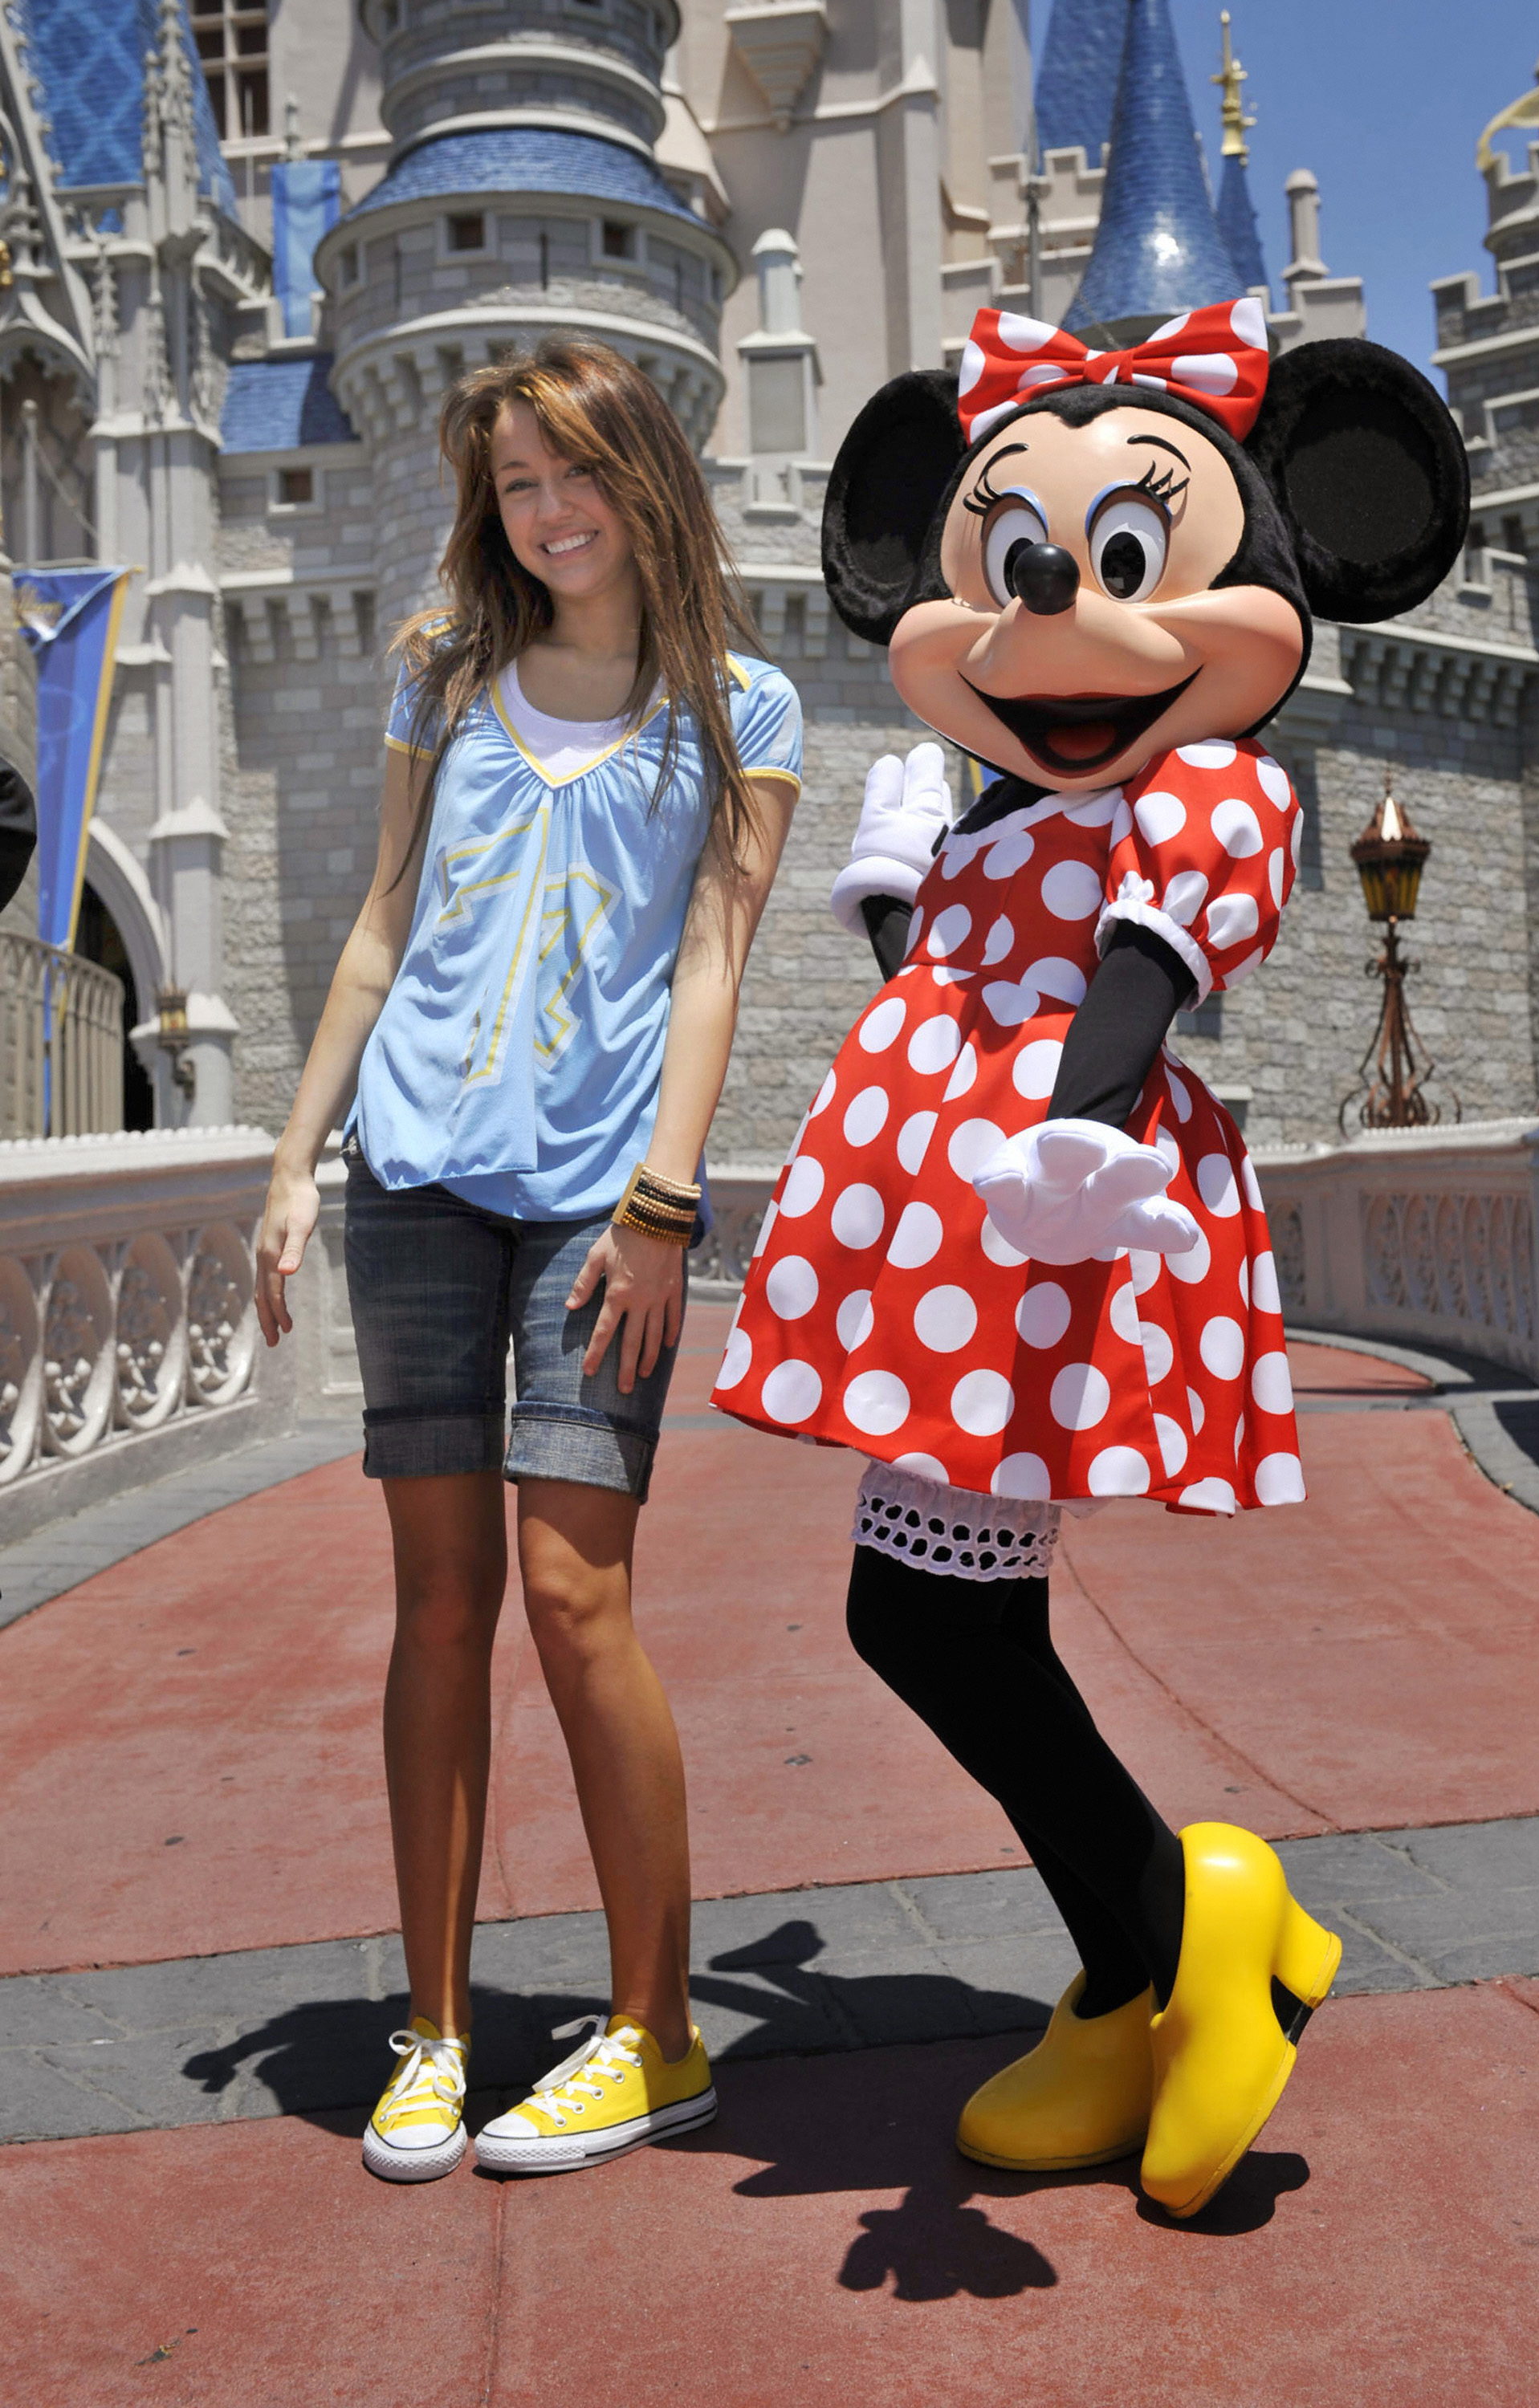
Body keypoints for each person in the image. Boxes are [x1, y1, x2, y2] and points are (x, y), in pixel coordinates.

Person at [716, 299, 1468, 2218]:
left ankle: (1192, 1932)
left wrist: (1083, 1137)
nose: (1055, 610)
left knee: (922, 1621)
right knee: (954, 1621)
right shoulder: (997, 798)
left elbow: (1134, 967)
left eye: (1120, 560)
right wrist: (896, 908)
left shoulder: (1205, 787)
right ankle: (1137, 1980)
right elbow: (967, 980)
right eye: (1014, 565)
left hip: (1045, 1217)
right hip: (958, 1235)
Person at [253, 338, 801, 2183]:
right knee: (438, 1603)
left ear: (644, 477)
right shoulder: (444, 669)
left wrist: (663, 1205)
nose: (549, 512)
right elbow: (381, 918)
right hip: (411, 1177)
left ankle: (654, 2031)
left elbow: (712, 962)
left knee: (576, 1597)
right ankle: (434, 2033)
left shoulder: (741, 709)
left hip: (597, 1205)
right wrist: (293, 1156)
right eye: (514, 483)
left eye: (575, 473)